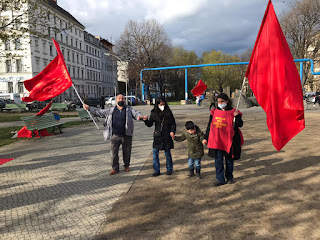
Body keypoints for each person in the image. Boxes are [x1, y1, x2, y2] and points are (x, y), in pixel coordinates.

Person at [83, 94, 147, 175]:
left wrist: (141, 117)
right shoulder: (111, 110)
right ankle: (115, 168)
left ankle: (126, 166)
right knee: (113, 153)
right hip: (115, 135)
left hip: (126, 135)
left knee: (127, 152)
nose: (121, 100)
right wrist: (89, 108)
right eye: (119, 98)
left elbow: (137, 114)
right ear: (116, 100)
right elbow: (99, 112)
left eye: (123, 98)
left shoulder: (129, 109)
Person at [204, 93, 243, 186]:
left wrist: (236, 117)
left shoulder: (234, 111)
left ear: (227, 101)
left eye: (222, 101)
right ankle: (220, 179)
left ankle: (230, 177)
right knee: (218, 161)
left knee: (229, 161)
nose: (220, 103)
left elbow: (240, 124)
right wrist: (206, 137)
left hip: (229, 141)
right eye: (218, 102)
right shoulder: (214, 112)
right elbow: (209, 126)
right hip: (217, 141)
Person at [144, 97, 176, 176]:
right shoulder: (154, 112)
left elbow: (173, 123)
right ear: (157, 104)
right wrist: (145, 120)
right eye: (160, 104)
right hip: (157, 136)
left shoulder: (168, 112)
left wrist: (172, 131)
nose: (162, 105)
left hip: (167, 135)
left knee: (167, 153)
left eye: (163, 103)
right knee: (155, 153)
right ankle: (156, 170)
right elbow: (150, 124)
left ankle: (169, 169)